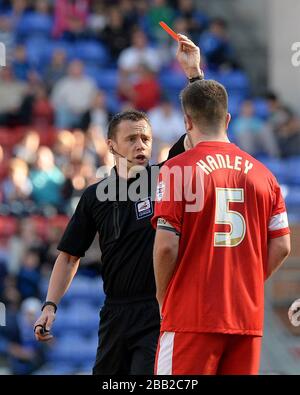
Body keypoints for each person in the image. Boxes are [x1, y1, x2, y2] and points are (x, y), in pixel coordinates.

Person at [33, 34, 203, 375]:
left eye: (146, 138)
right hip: (114, 312)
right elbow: (69, 256)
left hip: (157, 310)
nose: (141, 145)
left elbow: (203, 125)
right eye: (131, 139)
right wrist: (50, 304)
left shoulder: (166, 175)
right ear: (111, 145)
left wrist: (194, 74)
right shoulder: (96, 195)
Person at [151, 47, 291, 374]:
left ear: (186, 122)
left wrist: (163, 299)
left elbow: (166, 246)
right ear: (228, 119)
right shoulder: (264, 174)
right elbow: (283, 245)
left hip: (190, 316)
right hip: (246, 318)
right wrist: (245, 282)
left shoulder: (177, 170)